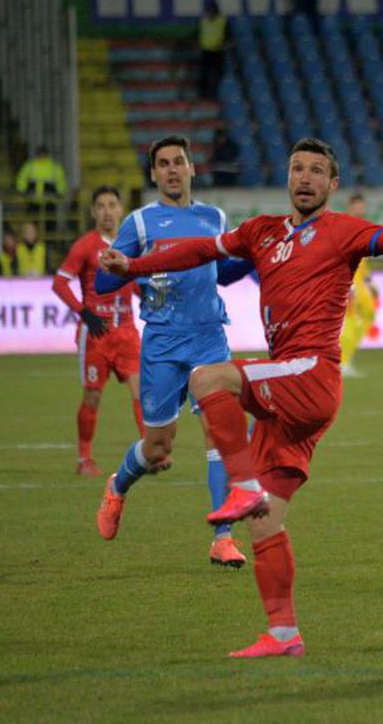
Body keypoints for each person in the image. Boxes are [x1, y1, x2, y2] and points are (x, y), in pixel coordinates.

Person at [100, 136, 383, 658]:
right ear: (288, 177)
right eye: (296, 168)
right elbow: (199, 251)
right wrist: (135, 268)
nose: (304, 177)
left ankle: (237, 485)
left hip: (310, 374)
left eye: (316, 171)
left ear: (332, 184)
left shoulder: (344, 232)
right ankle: (283, 633)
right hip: (292, 392)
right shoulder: (263, 231)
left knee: (209, 379)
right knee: (265, 520)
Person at [92, 135, 256, 568]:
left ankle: (223, 537)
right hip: (163, 347)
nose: (171, 169)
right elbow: (105, 283)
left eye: (178, 162)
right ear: (153, 173)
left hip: (208, 340)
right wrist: (111, 268)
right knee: (159, 447)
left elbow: (221, 274)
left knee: (221, 433)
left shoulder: (213, 217)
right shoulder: (141, 224)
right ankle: (118, 487)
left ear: (191, 169)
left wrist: (256, 258)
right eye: (162, 163)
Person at [51, 186, 146, 477]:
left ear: (121, 210)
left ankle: (151, 453)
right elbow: (59, 283)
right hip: (96, 334)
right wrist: (83, 312)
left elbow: (139, 285)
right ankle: (84, 460)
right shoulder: (85, 246)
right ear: (93, 212)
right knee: (92, 397)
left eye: (112, 205)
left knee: (143, 391)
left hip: (127, 330)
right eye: (101, 205)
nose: (107, 211)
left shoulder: (132, 245)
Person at [340, 193, 379, 377]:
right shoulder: (345, 227)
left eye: (362, 206)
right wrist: (347, 285)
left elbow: (363, 261)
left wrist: (369, 282)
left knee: (369, 315)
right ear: (350, 207)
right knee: (350, 319)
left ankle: (346, 357)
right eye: (356, 206)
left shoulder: (364, 228)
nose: (360, 209)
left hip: (361, 282)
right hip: (349, 282)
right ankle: (342, 362)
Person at [198, 2, 227, 100]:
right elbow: (200, 34)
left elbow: (228, 36)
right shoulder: (203, 21)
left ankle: (216, 94)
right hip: (206, 51)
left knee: (217, 74)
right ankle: (204, 95)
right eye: (207, 11)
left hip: (217, 51)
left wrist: (223, 43)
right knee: (204, 74)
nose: (208, 13)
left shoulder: (222, 21)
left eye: (210, 11)